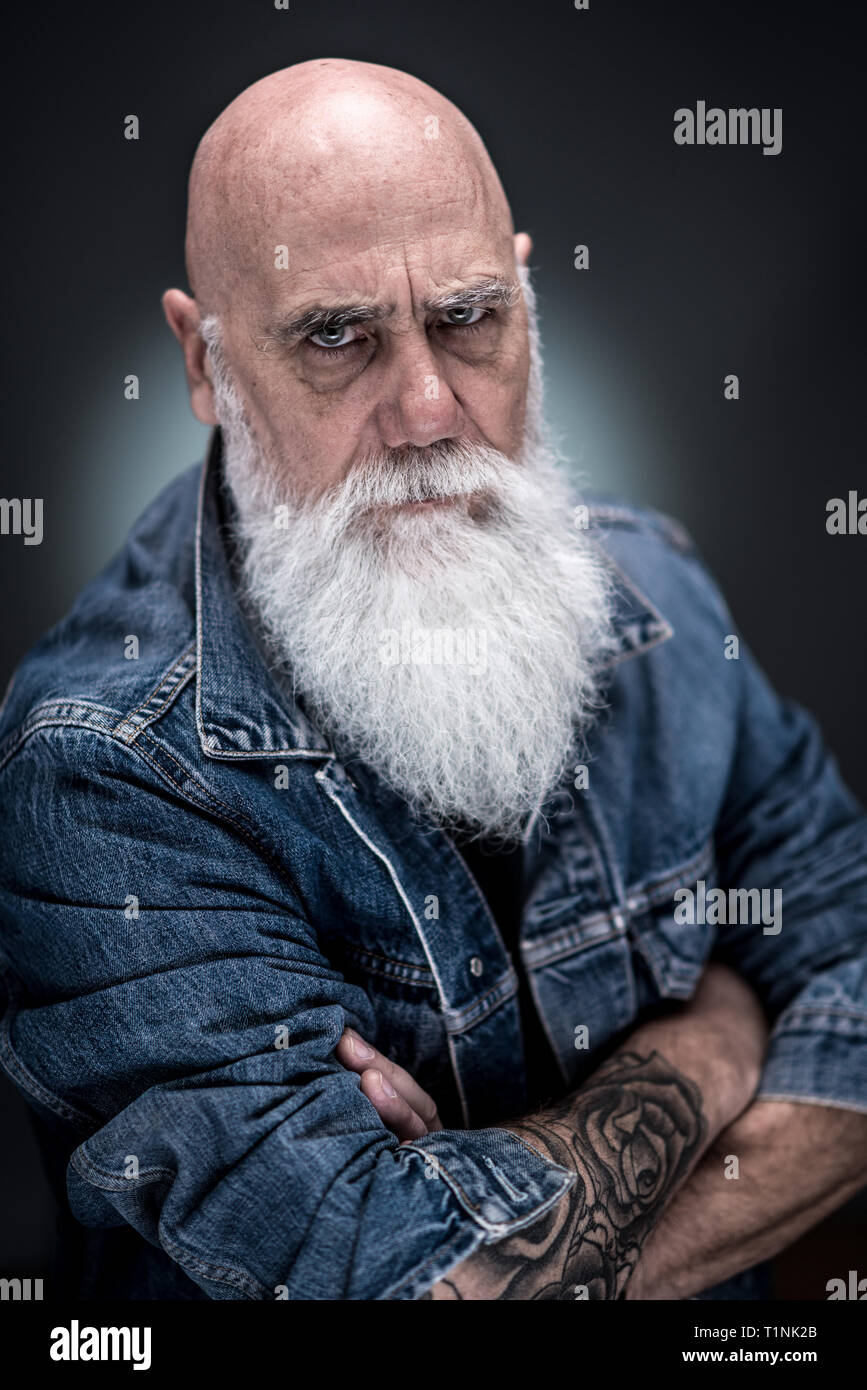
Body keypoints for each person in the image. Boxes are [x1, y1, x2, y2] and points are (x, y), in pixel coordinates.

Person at [0, 58, 864, 1301]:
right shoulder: (97, 770)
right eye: (336, 336)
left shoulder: (658, 597)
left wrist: (492, 1235)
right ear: (204, 361)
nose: (425, 409)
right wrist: (717, 1042)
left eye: (468, 318)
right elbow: (387, 1284)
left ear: (521, 292)